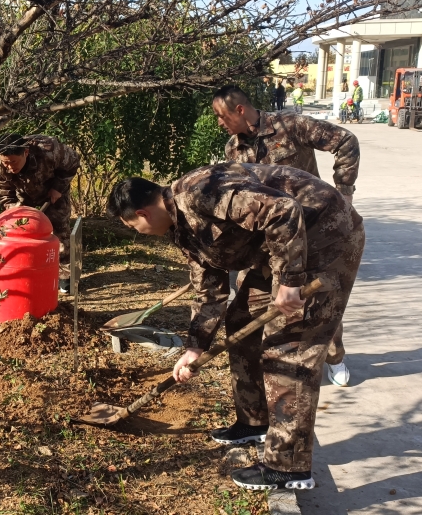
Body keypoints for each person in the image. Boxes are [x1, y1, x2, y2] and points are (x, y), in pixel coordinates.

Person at [106, 164, 364, 490]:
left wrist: (289, 279)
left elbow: (284, 211)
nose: (136, 231)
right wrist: (194, 346)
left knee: (289, 350)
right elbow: (209, 288)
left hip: (326, 240)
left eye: (131, 225)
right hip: (275, 249)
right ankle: (253, 420)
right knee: (241, 320)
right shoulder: (180, 226)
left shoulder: (202, 192)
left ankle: (288, 466)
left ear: (142, 213)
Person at [211, 85, 358, 387]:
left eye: (221, 116)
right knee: (253, 298)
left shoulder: (290, 125)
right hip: (272, 239)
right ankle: (277, 365)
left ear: (239, 109)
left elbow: (345, 140)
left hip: (315, 229)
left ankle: (334, 357)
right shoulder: (233, 149)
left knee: (323, 303)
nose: (219, 123)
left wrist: (342, 193)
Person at [0, 133, 81, 293]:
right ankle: (30, 271)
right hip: (23, 197)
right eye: (6, 163)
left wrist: (58, 187)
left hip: (53, 194)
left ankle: (65, 276)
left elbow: (73, 161)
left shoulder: (49, 150)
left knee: (60, 233)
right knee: (23, 234)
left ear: (25, 152)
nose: (10, 167)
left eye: (13, 162)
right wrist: (15, 210)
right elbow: (4, 191)